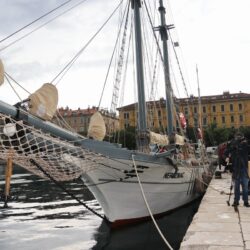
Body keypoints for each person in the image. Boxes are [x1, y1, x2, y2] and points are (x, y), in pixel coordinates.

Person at [224, 132, 249, 207]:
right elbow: (225, 153)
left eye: (240, 137)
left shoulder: (245, 144)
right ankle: (236, 201)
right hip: (235, 168)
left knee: (245, 186)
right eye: (237, 137)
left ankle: (246, 202)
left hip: (244, 168)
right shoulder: (232, 144)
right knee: (236, 186)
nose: (238, 138)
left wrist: (244, 144)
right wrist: (226, 158)